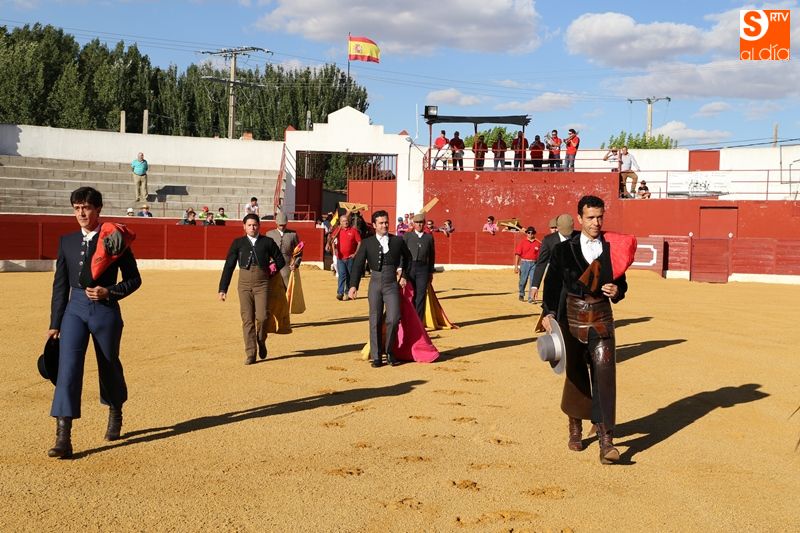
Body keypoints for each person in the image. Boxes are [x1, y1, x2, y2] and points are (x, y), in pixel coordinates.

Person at [45, 186, 142, 458]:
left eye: (86, 207)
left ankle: (115, 409)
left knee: (108, 364)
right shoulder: (66, 241)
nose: (81, 213)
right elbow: (60, 285)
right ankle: (63, 437)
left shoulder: (114, 239)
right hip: (74, 309)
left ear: (98, 209)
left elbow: (134, 279)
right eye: (77, 208)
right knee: (68, 368)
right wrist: (55, 323)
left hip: (104, 309)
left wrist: (109, 292)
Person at [541, 195, 628, 464]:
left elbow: (622, 283)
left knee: (605, 372)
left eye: (600, 217)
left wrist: (616, 290)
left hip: (601, 316)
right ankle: (575, 425)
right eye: (590, 218)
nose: (596, 223)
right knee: (576, 373)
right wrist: (548, 313)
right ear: (579, 218)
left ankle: (606, 439)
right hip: (571, 317)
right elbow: (552, 284)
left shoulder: (611, 248)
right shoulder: (563, 250)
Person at [218, 214, 285, 365]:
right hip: (244, 285)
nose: (252, 227)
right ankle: (251, 353)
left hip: (262, 283)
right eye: (249, 225)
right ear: (244, 227)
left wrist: (271, 270)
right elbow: (229, 266)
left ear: (259, 226)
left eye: (254, 225)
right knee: (247, 319)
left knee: (262, 317)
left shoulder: (267, 242)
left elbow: (280, 260)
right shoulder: (238, 243)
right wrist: (223, 288)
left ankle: (261, 339)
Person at [348, 210, 411, 367]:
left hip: (391, 283)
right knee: (375, 319)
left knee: (394, 318)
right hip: (375, 283)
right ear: (374, 225)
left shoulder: (397, 241)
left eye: (386, 222)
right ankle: (376, 356)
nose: (384, 225)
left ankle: (389, 351)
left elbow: (408, 258)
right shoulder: (367, 243)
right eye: (381, 223)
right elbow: (358, 265)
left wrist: (404, 274)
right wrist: (353, 285)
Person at [530, 214, 575, 302]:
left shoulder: (579, 236)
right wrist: (535, 286)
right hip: (556, 280)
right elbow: (541, 263)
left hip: (574, 282)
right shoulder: (548, 240)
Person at [404, 213, 436, 321]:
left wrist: (430, 271)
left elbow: (432, 255)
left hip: (423, 269)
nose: (419, 224)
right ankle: (410, 320)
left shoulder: (429, 237)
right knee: (410, 295)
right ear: (413, 223)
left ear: (424, 223)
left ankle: (418, 322)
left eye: (421, 222)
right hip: (410, 268)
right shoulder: (407, 236)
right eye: (417, 222)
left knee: (421, 296)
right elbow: (402, 254)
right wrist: (401, 270)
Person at [266, 213, 301, 288]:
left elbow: (299, 252)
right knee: (272, 289)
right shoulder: (269, 234)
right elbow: (265, 252)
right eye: (280, 225)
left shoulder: (293, 234)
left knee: (287, 289)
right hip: (272, 266)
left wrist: (296, 264)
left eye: (284, 225)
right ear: (276, 222)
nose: (282, 227)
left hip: (287, 266)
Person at [333, 213, 362, 301]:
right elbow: (331, 239)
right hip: (340, 257)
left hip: (350, 258)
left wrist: (355, 253)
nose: (345, 222)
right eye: (343, 221)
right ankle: (340, 292)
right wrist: (334, 249)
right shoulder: (337, 230)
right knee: (342, 275)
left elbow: (359, 242)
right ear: (340, 222)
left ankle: (347, 292)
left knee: (349, 275)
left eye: (346, 221)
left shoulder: (353, 231)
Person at [514, 226, 541, 302]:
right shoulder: (522, 242)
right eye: (529, 232)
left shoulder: (538, 243)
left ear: (534, 233)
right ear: (527, 233)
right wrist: (516, 266)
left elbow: (540, 255)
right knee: (523, 281)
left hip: (534, 263)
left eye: (532, 233)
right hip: (524, 263)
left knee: (533, 281)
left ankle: (531, 297)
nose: (530, 234)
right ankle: (521, 293)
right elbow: (517, 254)